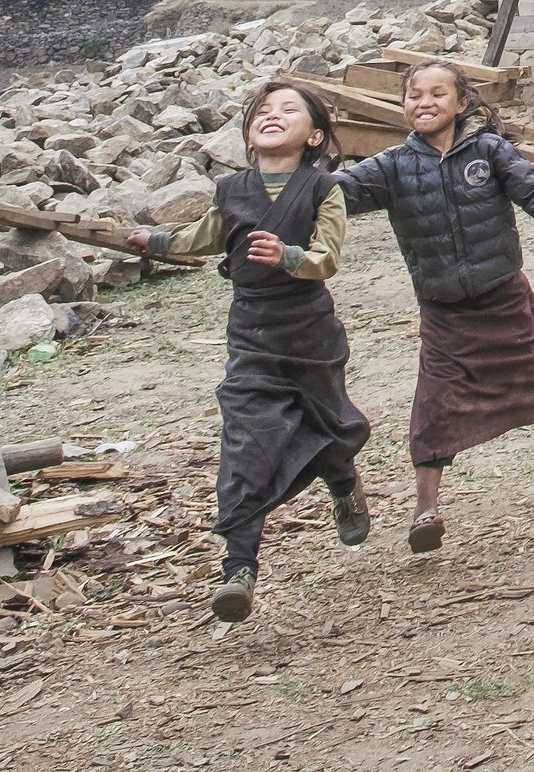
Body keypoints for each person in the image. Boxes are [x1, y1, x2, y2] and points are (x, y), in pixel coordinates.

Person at [124, 82, 372, 624]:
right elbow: (206, 236)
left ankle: (344, 485)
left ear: (315, 137)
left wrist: (290, 256)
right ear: (248, 133)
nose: (273, 116)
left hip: (309, 333)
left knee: (328, 425)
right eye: (263, 110)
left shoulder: (322, 188)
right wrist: (156, 243)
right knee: (245, 443)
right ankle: (239, 567)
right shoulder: (232, 189)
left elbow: (328, 258)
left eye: (289, 110)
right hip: (251, 334)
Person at [336, 60, 534, 555]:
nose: (425, 103)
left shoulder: (489, 151)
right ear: (404, 104)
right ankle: (426, 507)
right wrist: (290, 187)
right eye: (415, 95)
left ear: (461, 103)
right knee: (435, 402)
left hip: (502, 291)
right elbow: (337, 195)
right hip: (443, 308)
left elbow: (533, 189)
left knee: (532, 368)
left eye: (438, 94)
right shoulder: (391, 167)